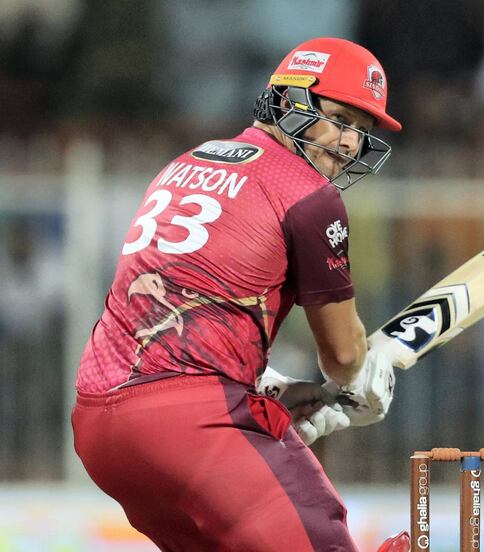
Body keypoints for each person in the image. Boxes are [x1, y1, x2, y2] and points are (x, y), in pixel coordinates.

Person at [72, 37, 405, 551]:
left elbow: (169, 305)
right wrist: (364, 381)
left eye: (362, 131)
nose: (348, 145)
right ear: (292, 100)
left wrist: (264, 385)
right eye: (341, 119)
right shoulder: (309, 195)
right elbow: (342, 356)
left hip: (98, 424)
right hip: (190, 423)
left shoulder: (186, 162)